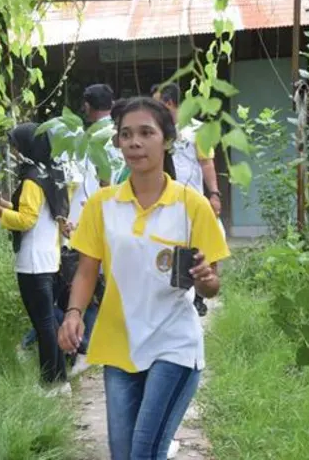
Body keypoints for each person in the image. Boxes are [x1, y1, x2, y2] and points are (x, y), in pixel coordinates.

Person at [58, 97, 230, 460]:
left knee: (144, 453)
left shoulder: (191, 204)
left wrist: (204, 278)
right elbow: (87, 269)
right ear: (118, 143)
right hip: (119, 344)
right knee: (123, 454)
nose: (134, 142)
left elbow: (213, 284)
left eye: (146, 133)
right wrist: (73, 313)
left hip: (174, 343)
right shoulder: (101, 205)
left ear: (166, 140)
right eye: (126, 134)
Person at [0, 123, 70, 396]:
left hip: (32, 261)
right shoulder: (52, 172)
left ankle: (49, 383)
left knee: (43, 324)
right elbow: (40, 213)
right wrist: (2, 203)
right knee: (50, 322)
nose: (15, 151)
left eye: (16, 145)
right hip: (50, 257)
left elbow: (26, 220)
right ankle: (61, 380)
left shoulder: (31, 178)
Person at [57, 84, 123, 378]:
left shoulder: (88, 139)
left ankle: (87, 347)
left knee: (87, 282)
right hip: (125, 217)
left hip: (94, 219)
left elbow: (86, 185)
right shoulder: (120, 135)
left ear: (86, 105)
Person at [151, 83, 222, 317]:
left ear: (169, 103)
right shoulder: (157, 131)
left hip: (193, 199)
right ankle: (175, 292)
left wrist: (214, 194)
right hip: (164, 198)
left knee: (199, 246)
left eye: (157, 103)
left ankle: (199, 297)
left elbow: (206, 163)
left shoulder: (197, 130)